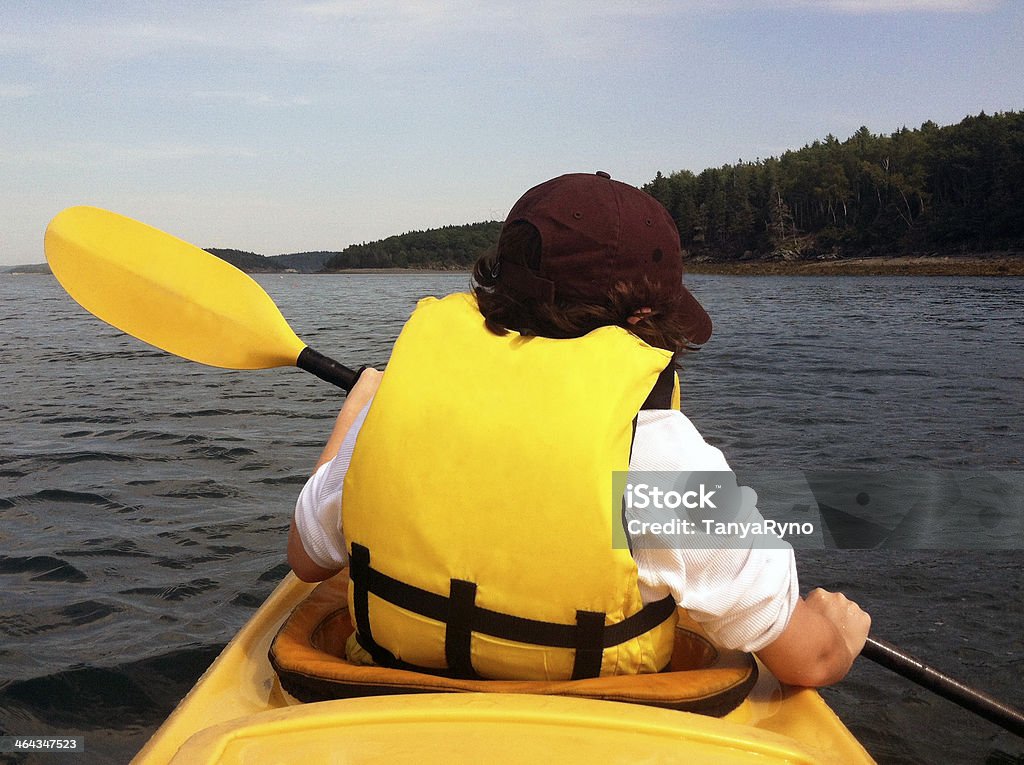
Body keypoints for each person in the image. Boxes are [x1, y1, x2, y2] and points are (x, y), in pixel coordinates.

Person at [288, 171, 870, 687]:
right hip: (593, 723)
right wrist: (838, 632)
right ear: (642, 320)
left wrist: (356, 412)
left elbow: (307, 557)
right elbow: (808, 660)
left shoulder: (390, 408)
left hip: (391, 697)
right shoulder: (657, 452)